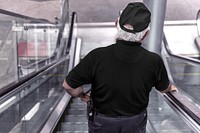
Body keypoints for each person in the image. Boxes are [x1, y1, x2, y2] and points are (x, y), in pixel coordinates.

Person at [63, 2, 177, 133]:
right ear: (146, 34)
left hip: (102, 121)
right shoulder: (154, 61)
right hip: (135, 122)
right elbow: (163, 88)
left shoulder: (97, 56)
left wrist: (83, 96)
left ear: (116, 24)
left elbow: (68, 85)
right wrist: (171, 88)